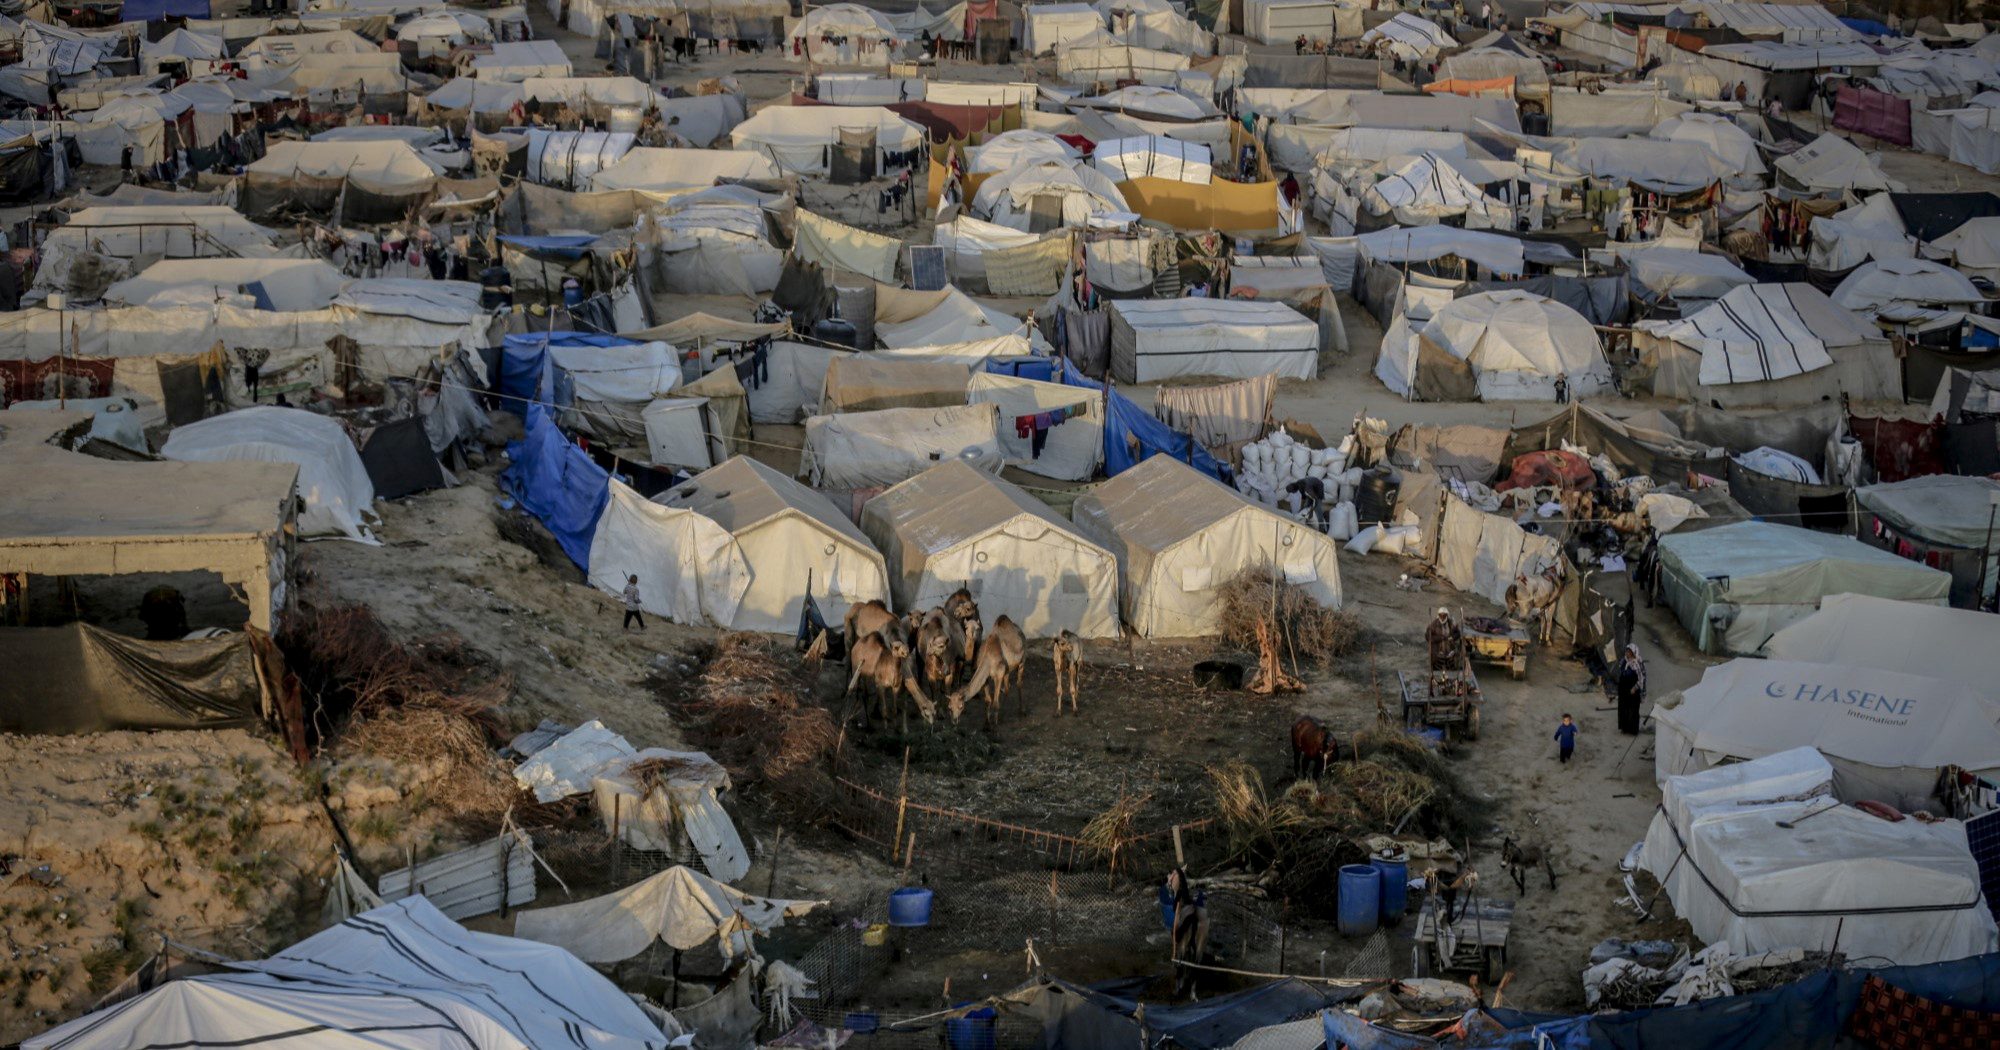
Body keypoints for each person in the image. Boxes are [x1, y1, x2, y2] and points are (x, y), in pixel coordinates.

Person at [1615, 643, 1646, 734]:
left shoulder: (1638, 663)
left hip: (1633, 691)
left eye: (1629, 652)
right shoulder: (1625, 661)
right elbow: (1621, 671)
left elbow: (1641, 678)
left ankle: (1632, 730)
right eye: (1627, 651)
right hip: (1624, 689)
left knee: (1633, 710)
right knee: (1623, 708)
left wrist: (1634, 688)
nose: (1627, 653)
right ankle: (1625, 728)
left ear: (1633, 653)